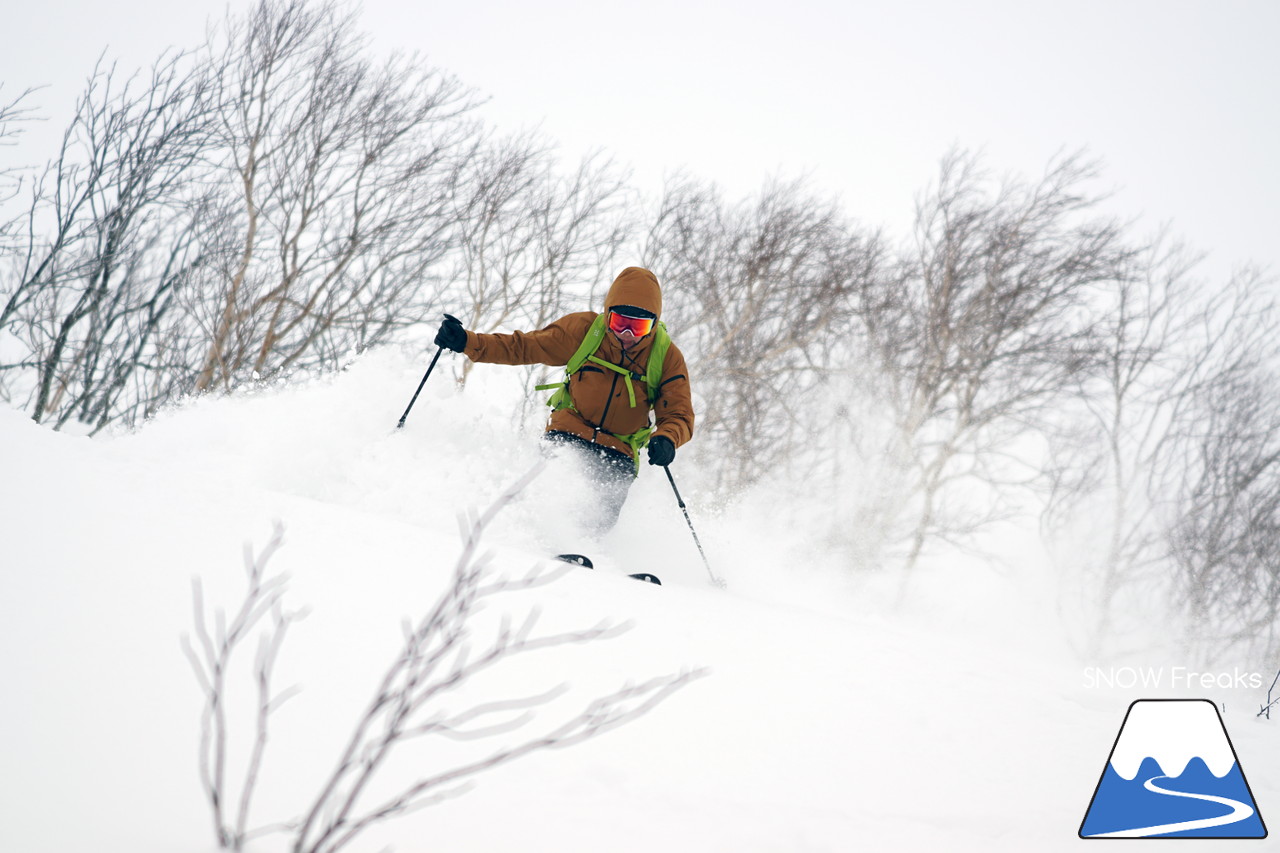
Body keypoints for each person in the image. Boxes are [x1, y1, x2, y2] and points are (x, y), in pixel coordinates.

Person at [434, 267, 694, 534]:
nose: (627, 333)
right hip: (569, 431)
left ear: (653, 324)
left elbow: (679, 413)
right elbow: (524, 346)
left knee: (597, 521)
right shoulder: (583, 331)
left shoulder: (665, 356)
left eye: (638, 326)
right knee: (553, 498)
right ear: (607, 315)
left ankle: (585, 564)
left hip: (620, 450)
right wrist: (467, 341)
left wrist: (667, 438)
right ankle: (531, 542)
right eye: (620, 323)